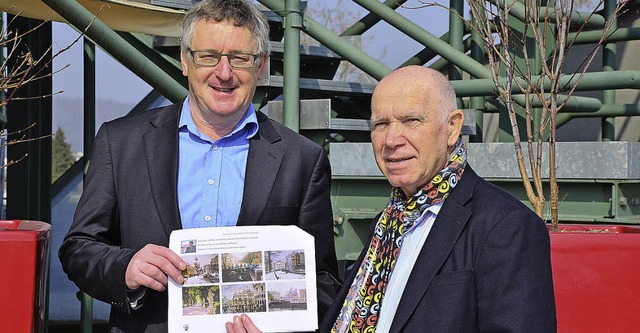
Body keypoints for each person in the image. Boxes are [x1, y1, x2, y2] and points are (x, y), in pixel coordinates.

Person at [58, 0, 340, 332]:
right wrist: (125, 268)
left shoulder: (302, 160)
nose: (224, 73)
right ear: (185, 60)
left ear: (261, 65)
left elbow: (324, 282)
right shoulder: (121, 143)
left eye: (240, 58)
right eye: (208, 56)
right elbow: (79, 248)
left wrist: (281, 324)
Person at [227, 66, 557, 333]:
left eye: (411, 121)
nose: (392, 140)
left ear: (453, 128)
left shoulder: (505, 228)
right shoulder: (387, 225)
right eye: (381, 124)